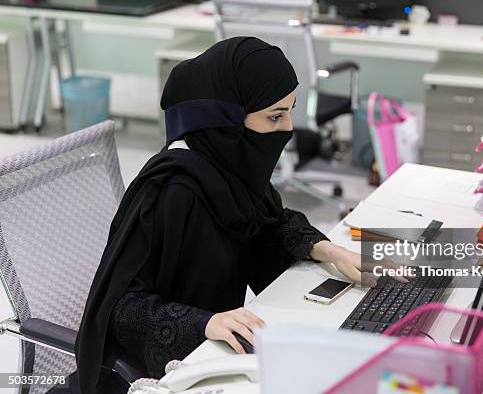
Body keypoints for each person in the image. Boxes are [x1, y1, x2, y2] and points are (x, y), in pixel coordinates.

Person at [75, 36, 378, 394]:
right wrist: (204, 323)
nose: (288, 130)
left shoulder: (231, 167)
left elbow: (267, 225)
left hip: (220, 353)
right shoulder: (172, 192)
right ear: (228, 121)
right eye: (275, 117)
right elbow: (121, 309)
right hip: (164, 373)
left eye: (290, 111)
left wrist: (332, 252)